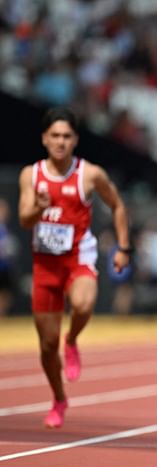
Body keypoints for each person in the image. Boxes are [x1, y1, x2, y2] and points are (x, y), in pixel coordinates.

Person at [18, 107, 131, 429]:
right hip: (45, 267)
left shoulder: (89, 174)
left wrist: (124, 247)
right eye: (55, 135)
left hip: (78, 259)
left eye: (67, 136)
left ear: (76, 140)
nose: (60, 142)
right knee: (46, 345)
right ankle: (58, 399)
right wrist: (38, 209)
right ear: (44, 139)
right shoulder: (32, 175)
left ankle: (73, 340)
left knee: (83, 303)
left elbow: (117, 204)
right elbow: (24, 220)